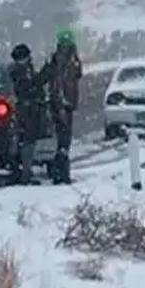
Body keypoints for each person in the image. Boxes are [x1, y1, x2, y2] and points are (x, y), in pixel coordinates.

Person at [41, 28, 83, 184]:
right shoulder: (73, 60)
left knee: (59, 138)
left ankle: (58, 171)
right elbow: (76, 76)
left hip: (57, 103)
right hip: (65, 105)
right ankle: (61, 173)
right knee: (63, 140)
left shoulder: (55, 60)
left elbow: (44, 78)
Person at [7, 43, 44, 185]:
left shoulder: (16, 71)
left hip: (24, 111)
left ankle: (20, 171)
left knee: (21, 141)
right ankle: (24, 172)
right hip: (26, 112)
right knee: (27, 141)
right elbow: (30, 88)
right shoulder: (21, 72)